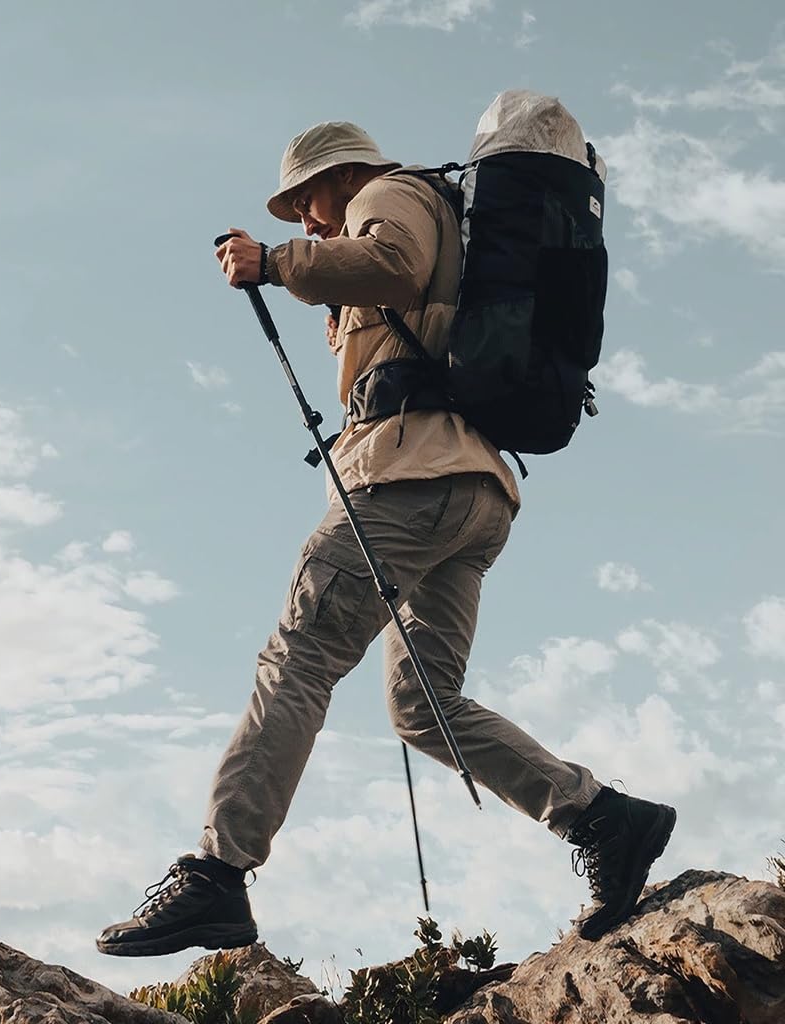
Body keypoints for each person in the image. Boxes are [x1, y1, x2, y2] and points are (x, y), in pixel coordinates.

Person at [96, 121, 675, 958]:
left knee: (299, 654)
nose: (305, 221)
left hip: (408, 477)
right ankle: (604, 818)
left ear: (338, 176)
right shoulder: (435, 210)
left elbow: (392, 264)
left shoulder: (386, 195)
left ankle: (218, 874)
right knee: (423, 705)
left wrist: (276, 264)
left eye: (304, 201)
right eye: (293, 215)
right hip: (474, 492)